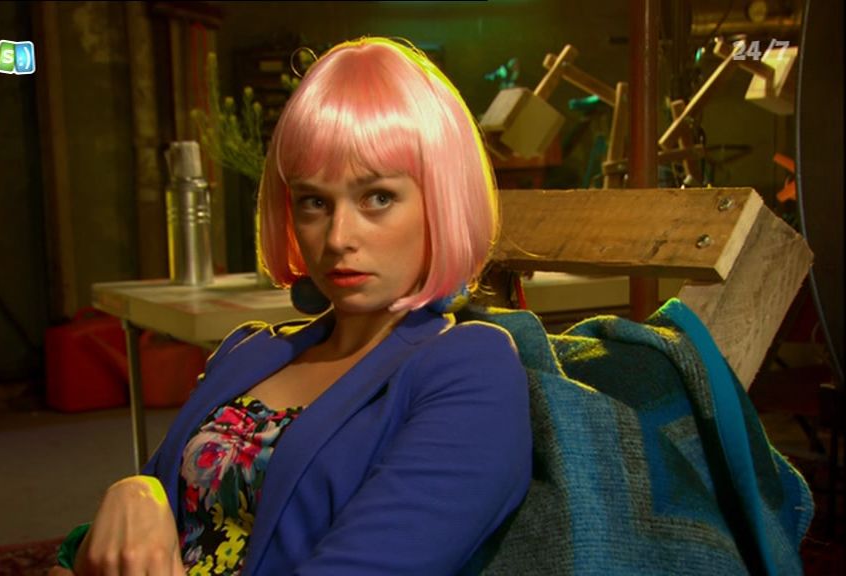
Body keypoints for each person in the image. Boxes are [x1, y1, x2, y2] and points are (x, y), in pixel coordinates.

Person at [52, 36, 532, 576]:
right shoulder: (249, 350)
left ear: (442, 199)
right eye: (314, 202)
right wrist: (132, 491)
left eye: (378, 197)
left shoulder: (471, 367)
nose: (338, 237)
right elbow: (104, 545)